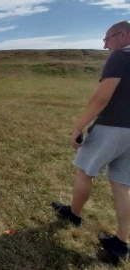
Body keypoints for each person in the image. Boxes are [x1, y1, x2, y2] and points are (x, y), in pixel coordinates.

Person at [52, 20, 130, 260]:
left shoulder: (121, 57)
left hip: (112, 126)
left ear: (123, 35)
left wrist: (78, 126)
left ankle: (74, 214)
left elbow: (102, 97)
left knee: (84, 171)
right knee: (122, 186)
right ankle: (121, 243)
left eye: (107, 39)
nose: (105, 45)